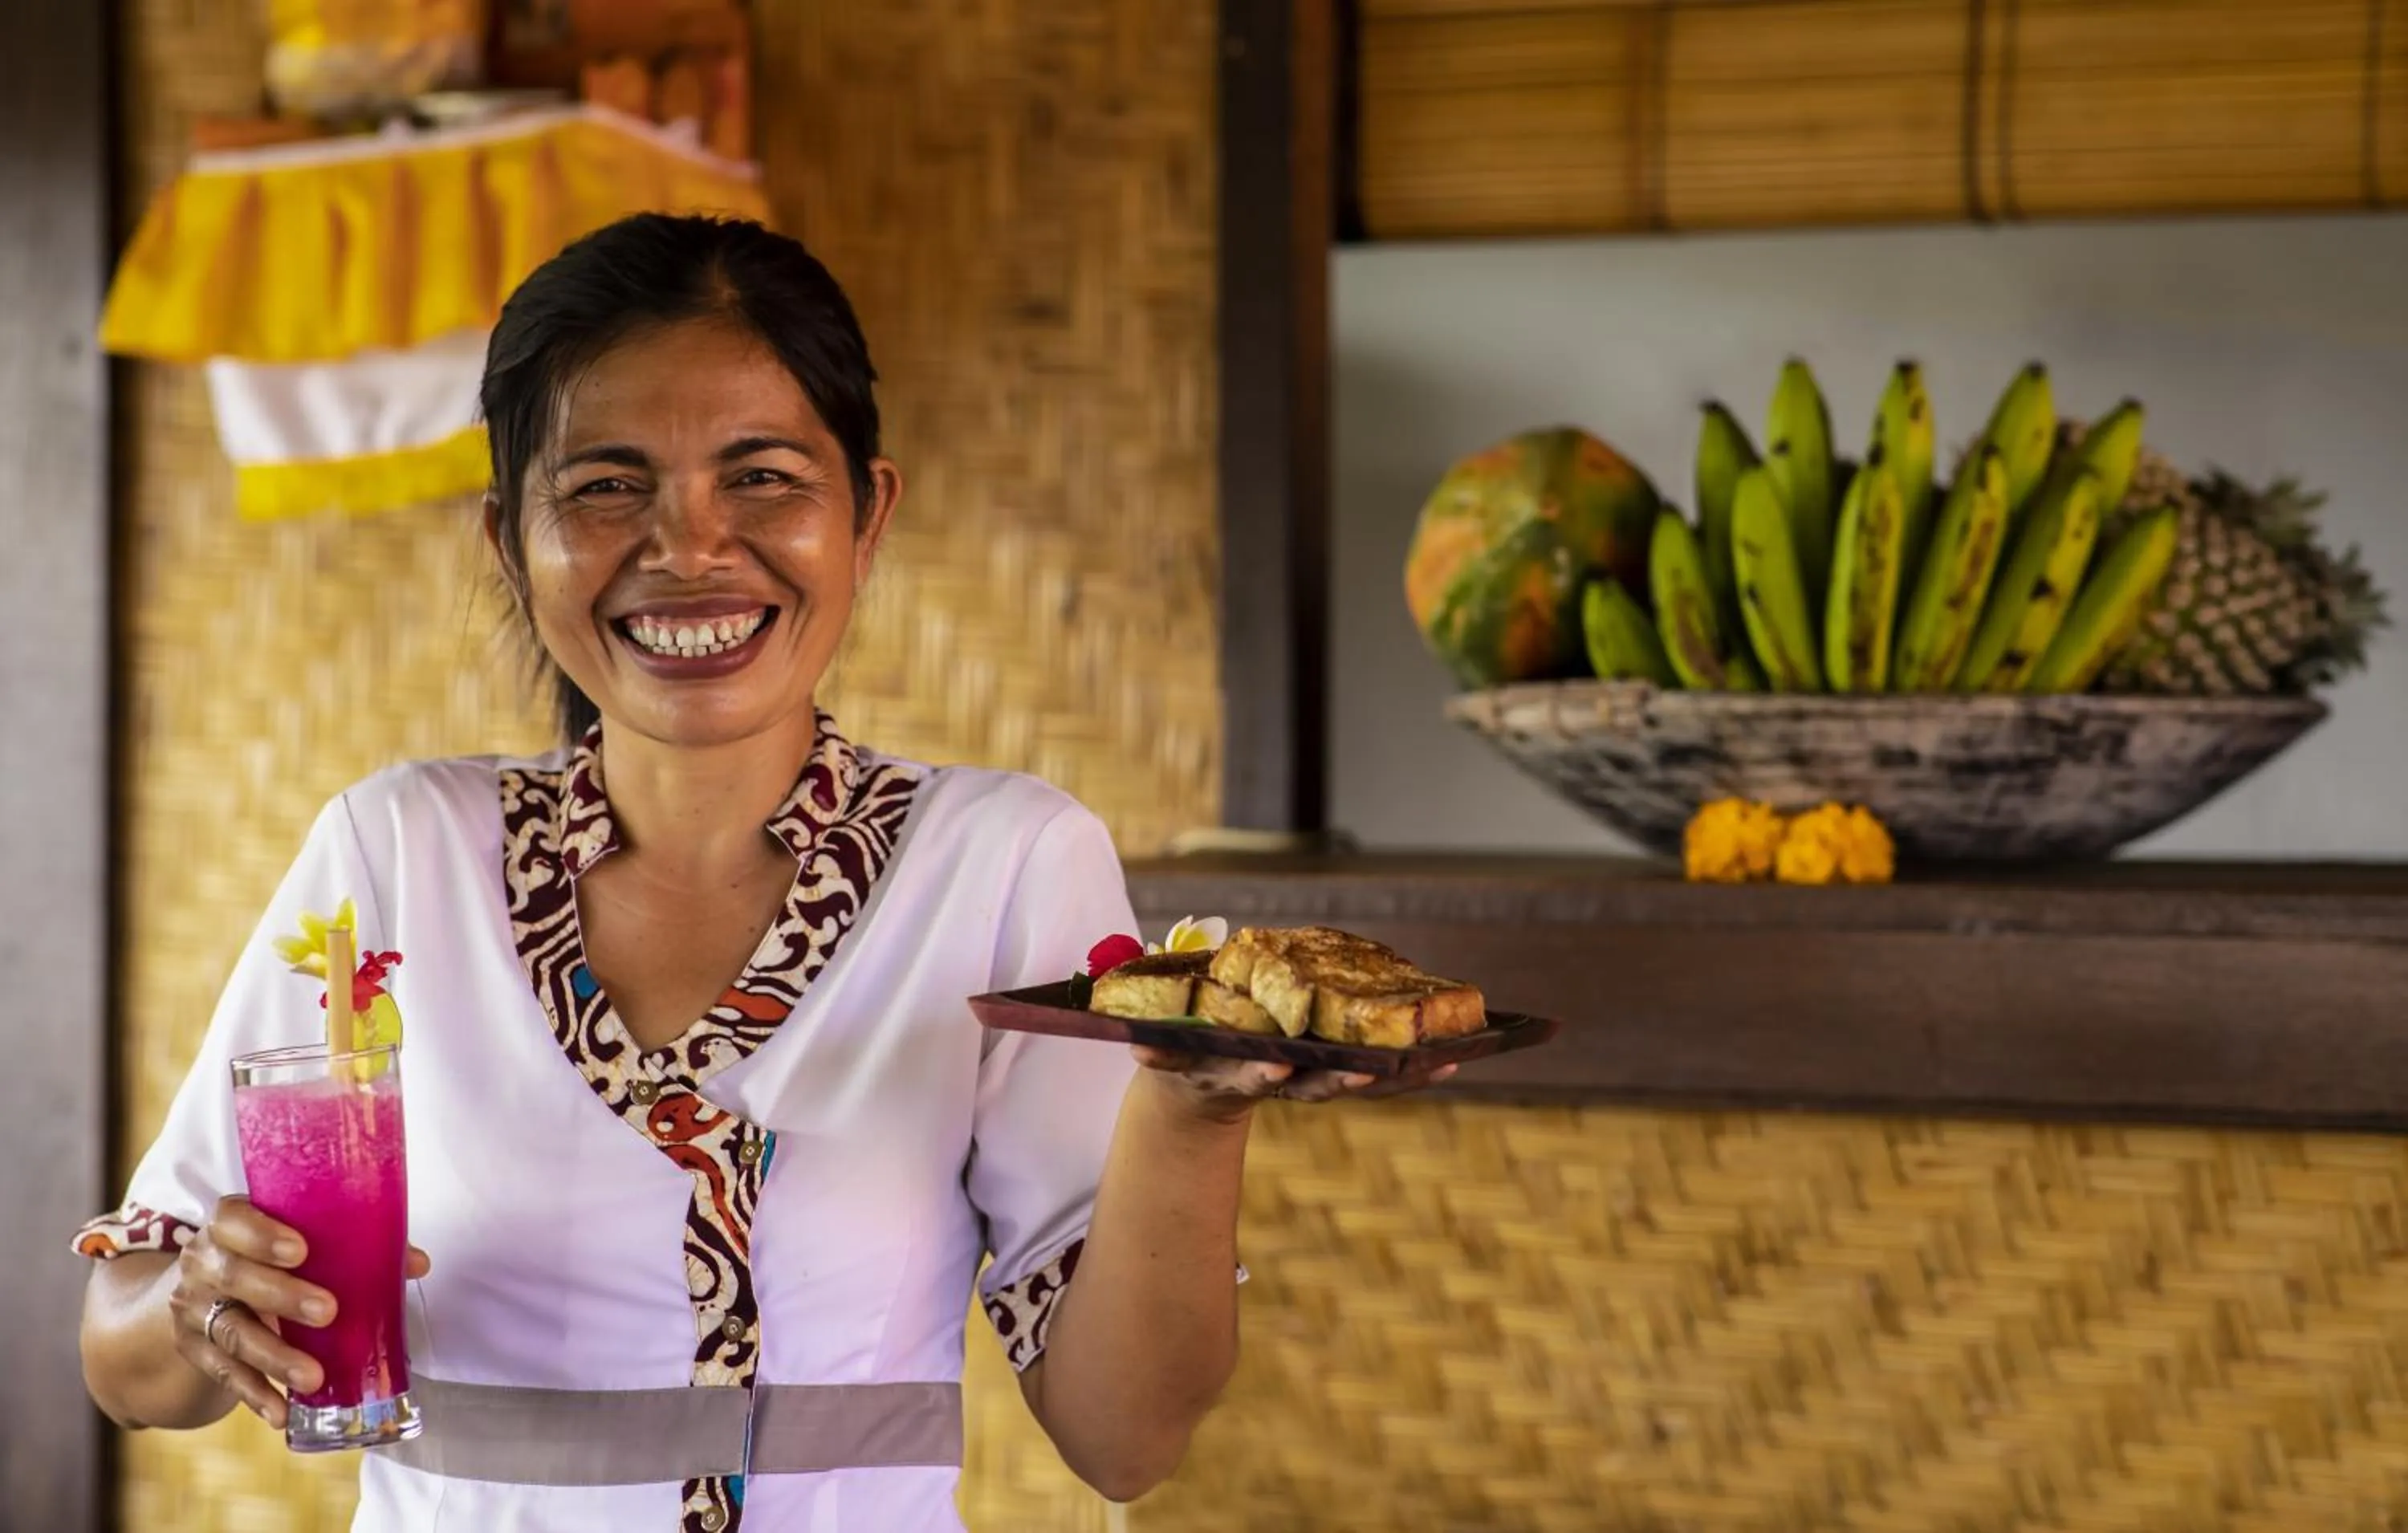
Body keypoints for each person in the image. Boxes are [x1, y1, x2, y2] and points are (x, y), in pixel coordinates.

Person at [74, 213, 1452, 1532]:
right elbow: (125, 1356)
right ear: (509, 540)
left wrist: (1196, 1117)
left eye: (764, 478)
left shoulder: (1005, 865)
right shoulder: (395, 855)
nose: (689, 548)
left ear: (867, 516)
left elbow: (1125, 1435)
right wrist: (203, 1302)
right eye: (608, 486)